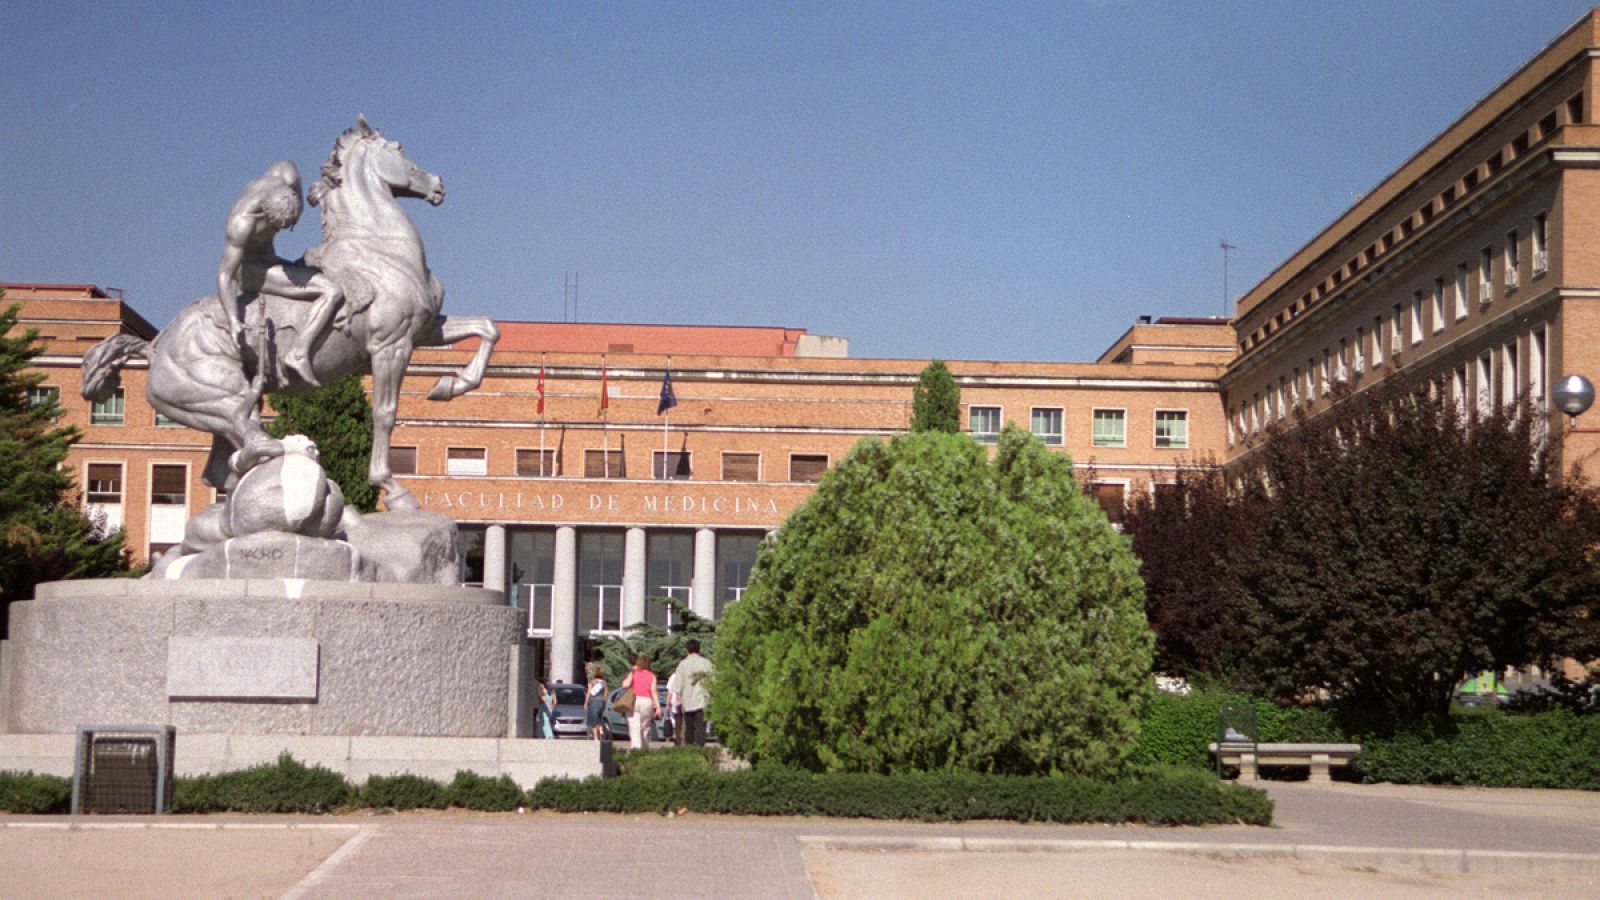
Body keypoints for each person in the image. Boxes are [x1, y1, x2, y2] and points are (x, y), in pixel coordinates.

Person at [215, 159, 344, 385]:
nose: (277, 231)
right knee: (331, 291)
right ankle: (298, 353)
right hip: (251, 271)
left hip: (272, 261)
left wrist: (324, 191)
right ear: (263, 213)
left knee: (322, 268)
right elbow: (225, 275)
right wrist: (234, 320)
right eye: (274, 227)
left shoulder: (287, 174)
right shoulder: (241, 225)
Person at [667, 639, 715, 746]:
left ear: (686, 650)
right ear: (699, 649)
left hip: (687, 701)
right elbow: (713, 682)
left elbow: (677, 685)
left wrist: (679, 699)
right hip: (703, 700)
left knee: (689, 728)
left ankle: (690, 749)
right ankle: (700, 749)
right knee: (700, 727)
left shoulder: (682, 664)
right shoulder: (707, 663)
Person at [620, 654, 659, 750]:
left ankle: (636, 748)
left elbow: (625, 685)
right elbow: (654, 691)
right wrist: (657, 706)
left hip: (634, 700)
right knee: (645, 725)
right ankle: (644, 746)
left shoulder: (633, 673)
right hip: (647, 701)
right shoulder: (652, 675)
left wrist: (627, 680)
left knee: (634, 725)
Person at [585, 664, 608, 740]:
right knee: (599, 717)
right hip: (602, 702)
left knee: (593, 720)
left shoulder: (592, 682)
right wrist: (604, 703)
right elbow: (605, 694)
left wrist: (586, 703)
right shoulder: (604, 683)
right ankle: (601, 730)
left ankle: (595, 737)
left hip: (593, 701)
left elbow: (589, 693)